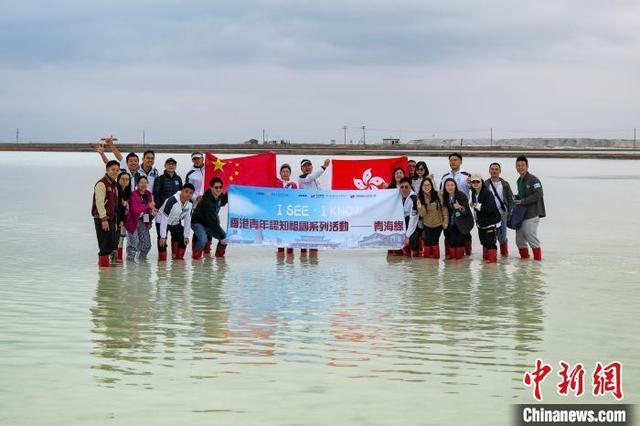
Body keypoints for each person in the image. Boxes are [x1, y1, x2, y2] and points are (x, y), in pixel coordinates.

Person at [440, 153, 472, 255]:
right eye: (451, 160)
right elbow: (441, 194)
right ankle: (449, 255)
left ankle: (466, 256)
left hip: (462, 209)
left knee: (464, 232)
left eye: (455, 160)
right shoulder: (445, 177)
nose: (453, 162)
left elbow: (476, 189)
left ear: (461, 162)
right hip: (449, 210)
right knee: (448, 233)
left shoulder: (466, 176)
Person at [515, 156, 545, 261]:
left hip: (532, 214)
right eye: (518, 165)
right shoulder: (519, 180)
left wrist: (522, 201)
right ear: (516, 167)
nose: (520, 167)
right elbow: (521, 195)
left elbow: (539, 194)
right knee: (519, 240)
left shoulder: (534, 179)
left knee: (531, 236)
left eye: (523, 165)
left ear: (527, 166)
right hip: (521, 215)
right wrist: (516, 198)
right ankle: (524, 263)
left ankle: (537, 263)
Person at [191, 177, 228, 259]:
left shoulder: (219, 196)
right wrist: (221, 236)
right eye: (216, 187)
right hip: (198, 222)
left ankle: (219, 258)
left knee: (225, 239)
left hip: (209, 222)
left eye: (220, 187)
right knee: (203, 240)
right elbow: (213, 223)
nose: (218, 189)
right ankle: (196, 257)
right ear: (211, 188)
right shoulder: (207, 202)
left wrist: (231, 191)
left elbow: (223, 202)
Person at [92, 160, 120, 267]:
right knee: (104, 245)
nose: (115, 172)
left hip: (112, 219)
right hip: (102, 218)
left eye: (117, 170)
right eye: (113, 170)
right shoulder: (101, 183)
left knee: (112, 244)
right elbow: (99, 202)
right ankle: (103, 274)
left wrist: (116, 221)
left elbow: (115, 205)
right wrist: (103, 219)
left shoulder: (114, 184)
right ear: (107, 170)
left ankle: (109, 274)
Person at [156, 183, 195, 261]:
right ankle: (161, 263)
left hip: (175, 222)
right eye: (186, 191)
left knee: (183, 240)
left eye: (191, 193)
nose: (188, 194)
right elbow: (164, 217)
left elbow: (188, 219)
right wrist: (163, 236)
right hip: (162, 221)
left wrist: (186, 235)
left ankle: (178, 263)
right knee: (162, 243)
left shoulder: (190, 203)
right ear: (181, 191)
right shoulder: (172, 200)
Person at [470, 173, 502, 263]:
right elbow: (477, 209)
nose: (475, 183)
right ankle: (486, 262)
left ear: (482, 182)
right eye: (473, 182)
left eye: (477, 181)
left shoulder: (487, 193)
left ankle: (492, 262)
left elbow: (491, 209)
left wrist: (477, 205)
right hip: (481, 223)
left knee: (491, 243)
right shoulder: (473, 193)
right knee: (483, 242)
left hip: (491, 222)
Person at [485, 162, 514, 257]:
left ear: (500, 171)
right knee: (488, 236)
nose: (494, 171)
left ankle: (504, 257)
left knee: (502, 237)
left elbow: (510, 200)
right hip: (489, 215)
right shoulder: (485, 184)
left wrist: (510, 214)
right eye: (492, 169)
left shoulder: (505, 184)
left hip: (502, 214)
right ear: (489, 171)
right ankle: (487, 258)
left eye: (496, 169)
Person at [125, 176, 156, 262]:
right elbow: (135, 210)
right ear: (137, 184)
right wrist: (148, 206)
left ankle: (142, 265)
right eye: (141, 182)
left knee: (147, 245)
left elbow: (147, 211)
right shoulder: (133, 195)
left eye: (145, 182)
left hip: (143, 221)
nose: (143, 184)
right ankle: (130, 266)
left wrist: (148, 222)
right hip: (132, 222)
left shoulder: (149, 194)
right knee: (133, 245)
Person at [442, 178, 474, 260]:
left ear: (455, 186)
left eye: (452, 185)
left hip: (461, 223)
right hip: (450, 224)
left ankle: (460, 265)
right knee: (452, 243)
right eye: (448, 185)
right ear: (445, 187)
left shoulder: (461, 195)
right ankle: (454, 268)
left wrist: (460, 207)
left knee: (459, 243)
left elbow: (467, 211)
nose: (450, 187)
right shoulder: (444, 197)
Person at [416, 177, 448, 259]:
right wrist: (419, 205)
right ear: (421, 187)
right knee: (427, 242)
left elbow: (444, 209)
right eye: (424, 185)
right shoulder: (420, 198)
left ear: (431, 186)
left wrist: (446, 221)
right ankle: (428, 263)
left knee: (434, 241)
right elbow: (422, 214)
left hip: (439, 223)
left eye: (428, 185)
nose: (426, 187)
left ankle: (436, 261)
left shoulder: (438, 194)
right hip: (427, 223)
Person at [398, 177, 421, 257]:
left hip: (414, 225)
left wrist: (407, 236)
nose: (404, 189)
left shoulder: (414, 199)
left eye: (406, 187)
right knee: (405, 253)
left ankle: (416, 266)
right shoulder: (399, 196)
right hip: (404, 223)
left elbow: (413, 220)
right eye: (402, 187)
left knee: (414, 246)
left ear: (410, 187)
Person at [115, 172, 131, 262]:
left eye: (127, 179)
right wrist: (120, 220)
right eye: (122, 179)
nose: (125, 181)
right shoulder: (116, 190)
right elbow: (116, 207)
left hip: (125, 218)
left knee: (122, 237)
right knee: (116, 238)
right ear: (118, 179)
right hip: (117, 219)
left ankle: (119, 257)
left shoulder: (128, 192)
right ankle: (115, 258)